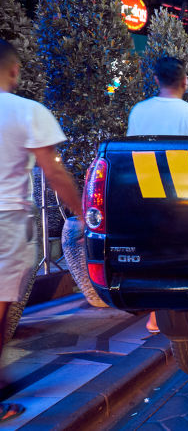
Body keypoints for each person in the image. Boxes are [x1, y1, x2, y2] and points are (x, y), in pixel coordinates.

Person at [0, 39, 83, 423]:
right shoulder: (27, 111)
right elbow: (53, 173)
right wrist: (83, 212)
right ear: (14, 70)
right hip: (6, 221)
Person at [127, 57, 188, 333]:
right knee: (182, 253)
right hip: (183, 195)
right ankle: (178, 309)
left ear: (156, 80)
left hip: (147, 191)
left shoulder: (139, 111)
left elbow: (130, 153)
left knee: (153, 251)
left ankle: (153, 314)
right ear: (185, 82)